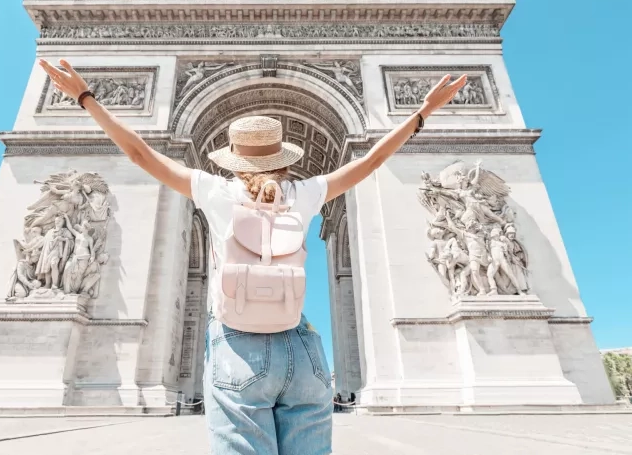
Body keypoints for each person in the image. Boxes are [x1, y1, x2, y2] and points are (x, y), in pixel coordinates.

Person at [40, 58, 466, 455]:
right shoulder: (305, 192)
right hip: (303, 350)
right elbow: (371, 161)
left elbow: (139, 153)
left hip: (237, 349)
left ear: (233, 159)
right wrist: (422, 113)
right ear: (283, 161)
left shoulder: (214, 190)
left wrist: (86, 98)